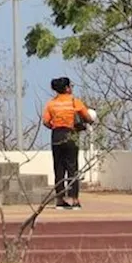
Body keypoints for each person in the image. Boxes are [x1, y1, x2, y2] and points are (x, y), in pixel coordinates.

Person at [42, 77, 91, 210]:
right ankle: (74, 200)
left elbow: (46, 121)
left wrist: (55, 126)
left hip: (56, 135)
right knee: (72, 168)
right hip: (71, 134)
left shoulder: (51, 103)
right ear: (67, 88)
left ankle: (60, 200)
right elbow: (87, 117)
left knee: (58, 168)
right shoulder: (74, 102)